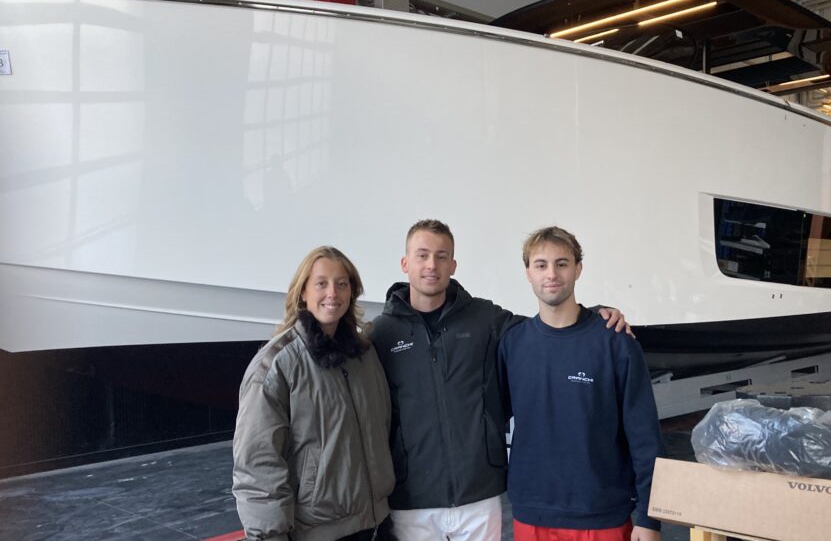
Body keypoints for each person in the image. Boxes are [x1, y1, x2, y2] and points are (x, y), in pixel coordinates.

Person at [369, 220, 629, 541]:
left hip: (480, 494)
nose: (431, 265)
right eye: (422, 256)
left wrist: (596, 314)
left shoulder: (483, 318)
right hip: (412, 500)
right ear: (405, 263)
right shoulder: (380, 334)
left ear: (453, 264)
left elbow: (549, 328)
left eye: (441, 256)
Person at [498, 226, 663, 541]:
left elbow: (645, 437)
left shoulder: (615, 342)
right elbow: (491, 419)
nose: (552, 274)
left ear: (578, 269)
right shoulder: (513, 344)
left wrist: (649, 517)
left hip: (601, 515)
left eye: (562, 263)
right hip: (532, 512)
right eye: (541, 265)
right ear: (528, 273)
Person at [233, 246, 395, 541]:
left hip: (376, 525)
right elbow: (258, 463)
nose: (333, 292)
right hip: (317, 532)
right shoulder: (276, 364)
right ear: (303, 292)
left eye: (342, 283)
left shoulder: (365, 355)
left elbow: (381, 429)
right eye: (321, 283)